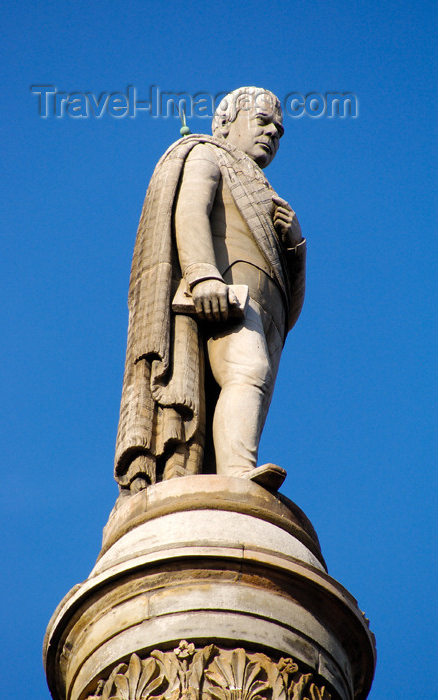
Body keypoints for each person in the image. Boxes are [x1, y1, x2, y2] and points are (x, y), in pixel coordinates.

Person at [114, 87, 306, 493]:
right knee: (246, 372)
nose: (272, 133)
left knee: (247, 389)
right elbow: (191, 209)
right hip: (227, 300)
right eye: (262, 121)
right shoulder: (206, 153)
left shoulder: (271, 199)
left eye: (279, 130)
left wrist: (296, 245)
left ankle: (225, 471)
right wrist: (203, 275)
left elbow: (293, 303)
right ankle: (238, 474)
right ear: (224, 124)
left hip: (268, 317)